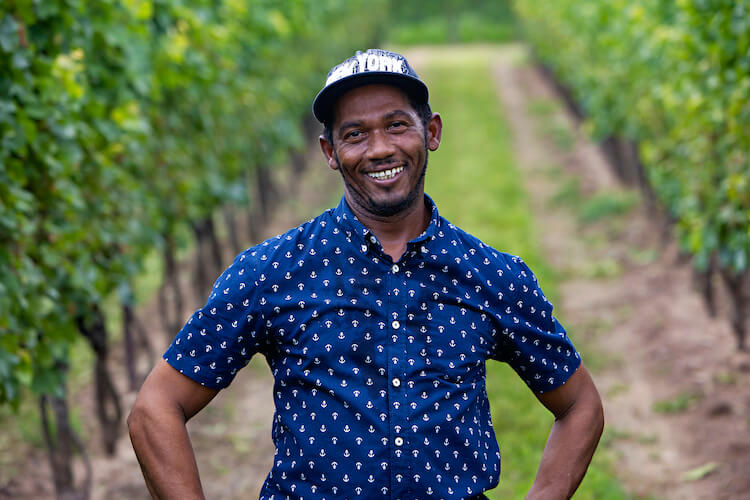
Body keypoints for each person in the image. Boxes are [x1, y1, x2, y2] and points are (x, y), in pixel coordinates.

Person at [128, 48, 604, 500]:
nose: (380, 149)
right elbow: (157, 407)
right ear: (330, 151)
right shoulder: (271, 272)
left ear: (432, 132)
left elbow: (580, 405)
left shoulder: (490, 275)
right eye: (355, 134)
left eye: (397, 126)